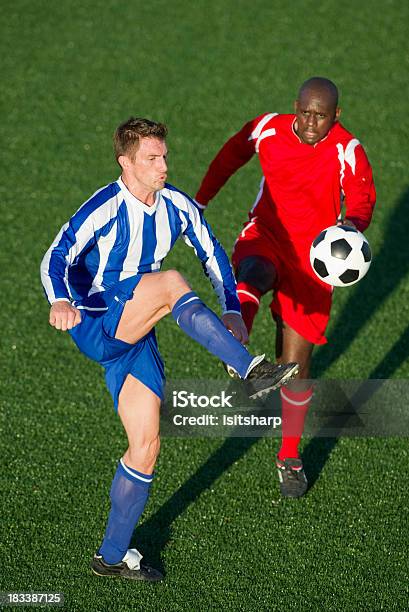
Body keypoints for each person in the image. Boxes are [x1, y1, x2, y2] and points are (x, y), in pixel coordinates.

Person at [40, 117, 299, 581]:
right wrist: (59, 299)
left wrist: (233, 309)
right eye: (151, 159)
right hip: (99, 321)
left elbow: (213, 252)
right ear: (126, 163)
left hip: (136, 334)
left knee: (145, 446)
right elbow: (57, 254)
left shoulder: (176, 204)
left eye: (164, 156)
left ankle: (112, 556)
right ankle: (250, 370)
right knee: (172, 281)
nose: (163, 166)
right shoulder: (104, 207)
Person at [195, 77, 376, 498]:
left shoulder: (348, 149)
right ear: (296, 106)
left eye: (322, 116)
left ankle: (289, 456)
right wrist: (200, 203)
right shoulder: (268, 129)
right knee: (252, 273)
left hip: (315, 261)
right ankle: (235, 351)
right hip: (268, 236)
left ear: (337, 115)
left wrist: (353, 225)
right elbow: (231, 154)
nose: (312, 123)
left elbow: (363, 199)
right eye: (306, 112)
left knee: (296, 367)